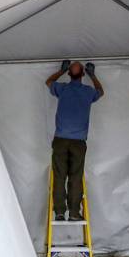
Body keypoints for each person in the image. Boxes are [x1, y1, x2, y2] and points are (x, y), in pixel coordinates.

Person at [45, 60, 104, 221]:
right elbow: (101, 91)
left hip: (61, 140)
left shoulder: (62, 89)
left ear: (69, 74)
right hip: (78, 142)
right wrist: (93, 75)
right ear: (83, 74)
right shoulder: (88, 91)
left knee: (59, 175)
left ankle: (58, 211)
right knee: (75, 176)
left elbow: (49, 82)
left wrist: (61, 71)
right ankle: (73, 212)